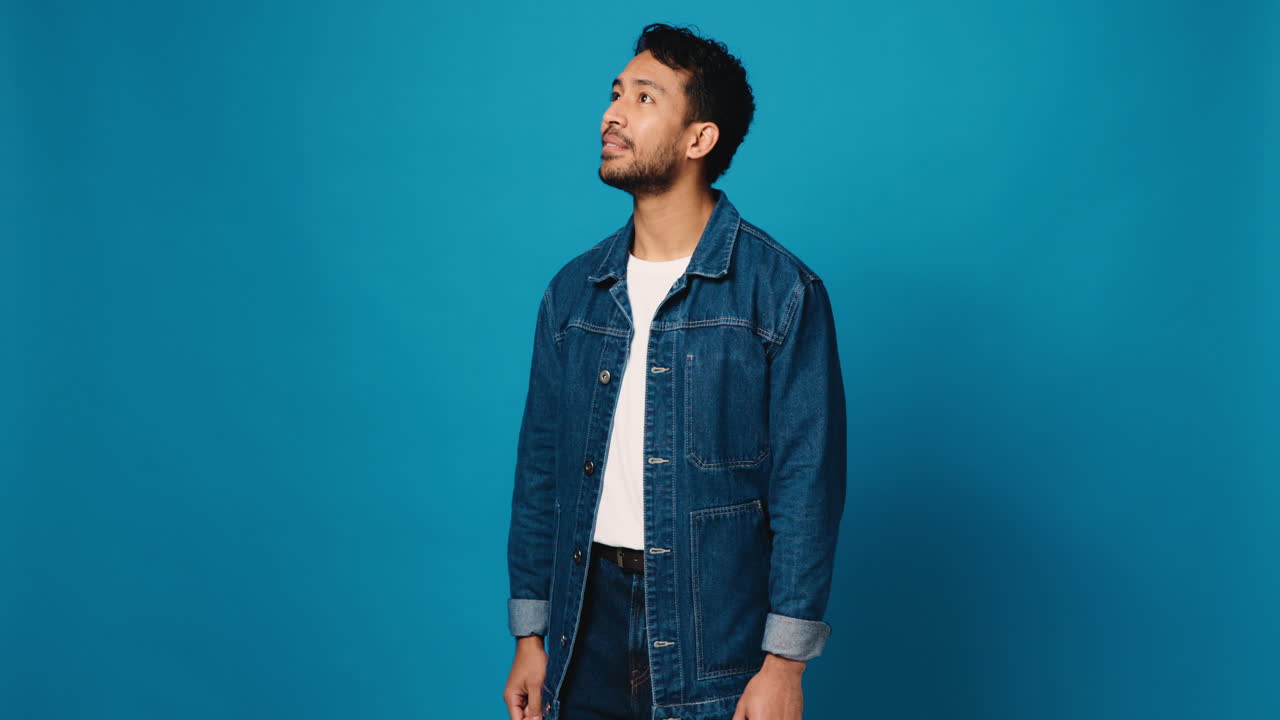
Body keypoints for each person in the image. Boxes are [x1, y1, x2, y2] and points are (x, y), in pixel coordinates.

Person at [503, 22, 847, 720]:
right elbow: (542, 471)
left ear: (699, 139)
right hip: (584, 628)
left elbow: (807, 486)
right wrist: (531, 636)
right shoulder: (574, 294)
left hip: (712, 637)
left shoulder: (778, 293)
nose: (613, 113)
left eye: (645, 98)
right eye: (615, 93)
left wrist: (785, 665)